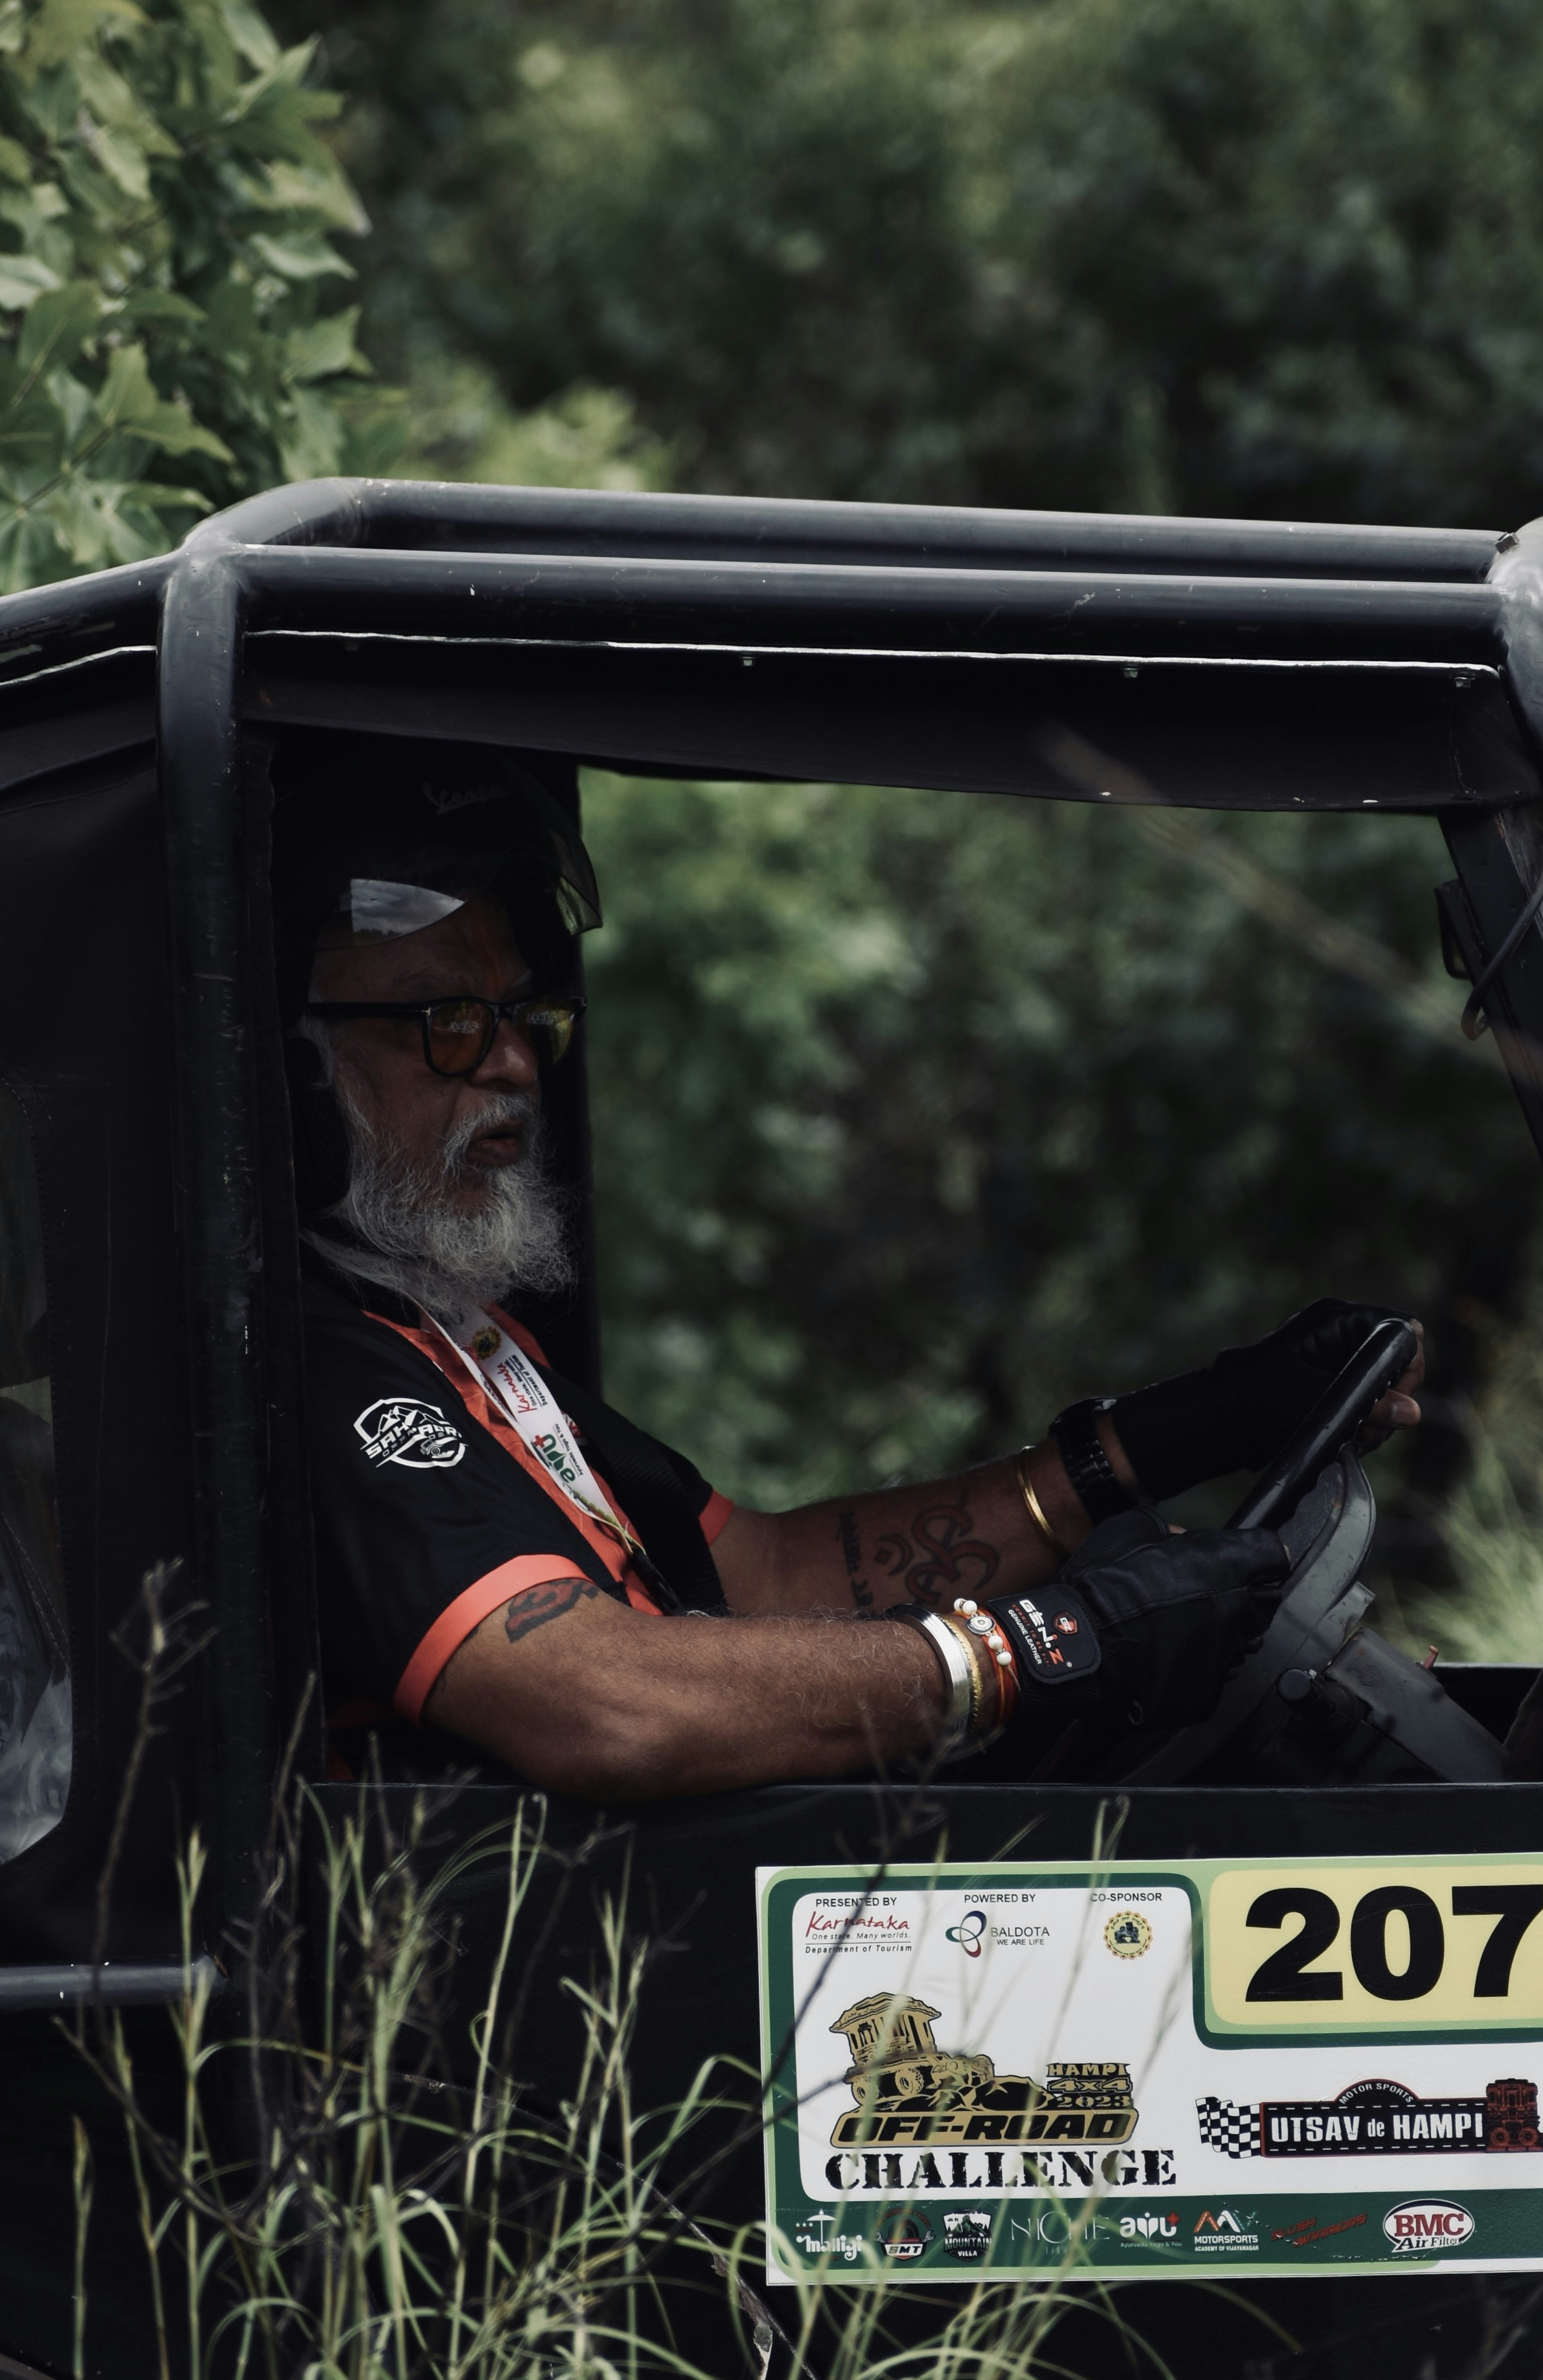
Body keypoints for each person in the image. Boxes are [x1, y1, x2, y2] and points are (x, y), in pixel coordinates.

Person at [283, 756, 1424, 1801]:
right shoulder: (322, 1374)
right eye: (447, 1021)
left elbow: (768, 1576)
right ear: (296, 1067)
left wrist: (1166, 1437)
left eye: (521, 1016)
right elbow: (605, 1697)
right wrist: (1036, 1646)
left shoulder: (458, 1339)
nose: (517, 1063)